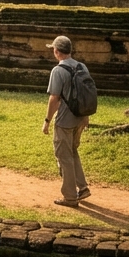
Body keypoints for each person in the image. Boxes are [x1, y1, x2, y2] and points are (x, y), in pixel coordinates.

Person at [42, 35, 93, 207]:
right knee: (72, 152)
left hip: (64, 120)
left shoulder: (58, 71)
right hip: (81, 118)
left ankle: (70, 197)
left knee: (64, 157)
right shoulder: (82, 66)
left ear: (56, 52)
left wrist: (47, 120)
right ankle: (83, 187)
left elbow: (54, 99)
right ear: (70, 50)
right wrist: (86, 116)